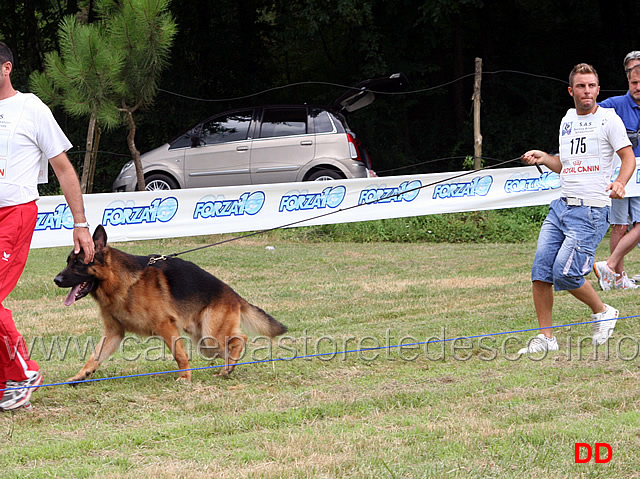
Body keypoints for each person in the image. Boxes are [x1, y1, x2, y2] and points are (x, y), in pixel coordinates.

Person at [0, 42, 94, 411]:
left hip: (15, 213)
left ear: (7, 68)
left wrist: (81, 223)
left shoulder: (31, 108)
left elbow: (64, 168)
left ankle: (23, 375)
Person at [519, 63, 636, 354]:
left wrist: (620, 183)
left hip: (590, 211)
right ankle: (546, 338)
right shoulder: (567, 119)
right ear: (571, 91)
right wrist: (545, 158)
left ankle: (603, 310)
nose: (587, 91)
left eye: (592, 86)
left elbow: (628, 159)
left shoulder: (609, 119)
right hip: (561, 207)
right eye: (581, 86)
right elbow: (565, 166)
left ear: (598, 89)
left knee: (565, 273)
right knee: (541, 272)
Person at [593, 51, 640, 290]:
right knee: (620, 226)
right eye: (634, 82)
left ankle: (608, 266)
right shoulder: (614, 105)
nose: (638, 87)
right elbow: (590, 116)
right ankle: (618, 277)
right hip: (621, 175)